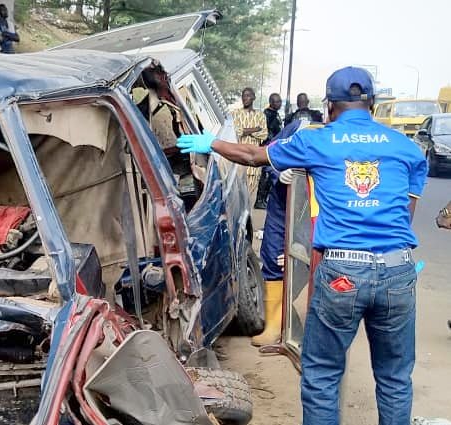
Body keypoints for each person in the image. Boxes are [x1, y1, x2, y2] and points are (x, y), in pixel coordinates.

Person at [177, 66, 427, 425]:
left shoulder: (316, 140)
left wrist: (210, 143)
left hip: (343, 272)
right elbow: (406, 215)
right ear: (372, 104)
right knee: (394, 377)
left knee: (323, 373)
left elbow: (253, 156)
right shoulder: (408, 148)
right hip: (398, 271)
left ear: (329, 107)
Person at [251, 119, 303, 347]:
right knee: (273, 257)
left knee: (301, 260)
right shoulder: (300, 127)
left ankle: (293, 321)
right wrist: (278, 172)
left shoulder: (339, 138)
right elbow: (268, 155)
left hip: (313, 207)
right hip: (283, 205)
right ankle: (273, 326)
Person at [231, 87, 268, 197]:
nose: (244, 98)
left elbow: (264, 134)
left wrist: (245, 131)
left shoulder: (260, 115)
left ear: (253, 98)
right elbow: (237, 132)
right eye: (243, 96)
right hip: (238, 158)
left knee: (250, 196)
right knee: (237, 195)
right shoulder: (235, 114)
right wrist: (255, 129)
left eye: (247, 96)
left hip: (253, 161)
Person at [255, 93, 284, 209]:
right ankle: (260, 200)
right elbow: (265, 132)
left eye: (280, 101)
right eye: (277, 102)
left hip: (273, 146)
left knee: (269, 173)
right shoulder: (267, 115)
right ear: (271, 102)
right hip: (268, 147)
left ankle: (263, 199)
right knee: (266, 174)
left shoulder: (275, 114)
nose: (279, 104)